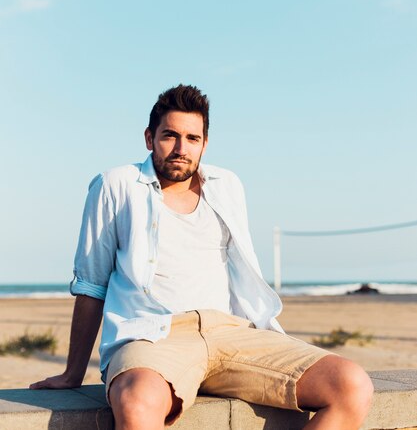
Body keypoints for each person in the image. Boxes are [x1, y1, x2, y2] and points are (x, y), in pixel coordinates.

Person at [30, 84, 373, 429]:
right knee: (137, 403)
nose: (181, 149)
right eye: (170, 136)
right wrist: (72, 373)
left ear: (204, 144)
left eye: (193, 139)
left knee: (351, 385)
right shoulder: (116, 185)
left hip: (231, 331)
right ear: (149, 138)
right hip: (154, 337)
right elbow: (92, 284)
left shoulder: (227, 185)